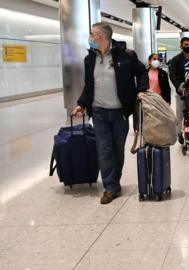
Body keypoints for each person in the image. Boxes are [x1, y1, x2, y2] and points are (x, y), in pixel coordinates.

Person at [71, 22, 148, 204]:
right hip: (98, 111)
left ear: (101, 37)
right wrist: (81, 104)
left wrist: (141, 89)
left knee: (117, 150)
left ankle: (115, 181)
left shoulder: (125, 55)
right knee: (104, 150)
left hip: (120, 111)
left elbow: (142, 71)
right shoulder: (89, 59)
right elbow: (89, 86)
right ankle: (110, 187)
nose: (90, 38)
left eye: (92, 35)